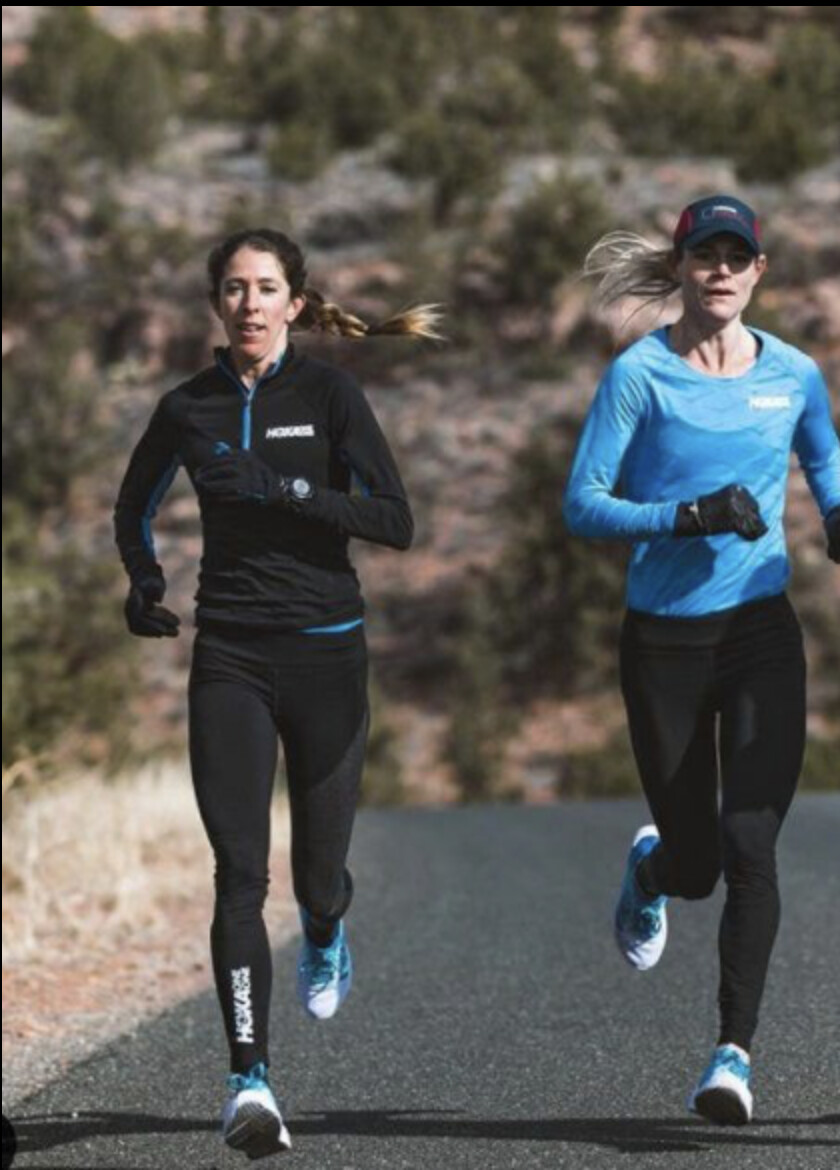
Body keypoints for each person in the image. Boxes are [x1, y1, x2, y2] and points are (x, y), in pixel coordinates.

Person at [113, 228, 439, 1159]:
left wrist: (284, 489)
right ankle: (249, 1080)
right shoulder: (189, 407)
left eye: (265, 288)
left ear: (295, 304)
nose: (249, 303)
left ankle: (328, 925)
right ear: (216, 304)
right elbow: (133, 506)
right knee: (239, 876)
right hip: (231, 658)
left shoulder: (331, 395)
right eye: (233, 288)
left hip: (327, 657)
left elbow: (396, 521)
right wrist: (143, 581)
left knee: (314, 880)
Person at [565, 195, 840, 1126]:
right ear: (683, 267)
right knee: (698, 864)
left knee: (750, 843)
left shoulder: (794, 372)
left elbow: (824, 457)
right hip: (663, 642)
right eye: (707, 255)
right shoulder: (639, 376)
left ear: (759, 271)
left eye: (738, 256)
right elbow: (584, 503)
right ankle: (654, 871)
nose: (722, 271)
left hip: (758, 631)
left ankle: (732, 1055)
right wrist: (687, 516)